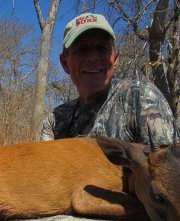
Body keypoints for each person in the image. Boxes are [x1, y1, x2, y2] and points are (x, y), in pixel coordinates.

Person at [40, 13, 177, 147]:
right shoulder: (56, 120)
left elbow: (165, 166)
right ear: (65, 63)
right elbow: (44, 167)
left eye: (102, 48)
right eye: (82, 49)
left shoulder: (142, 98)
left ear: (116, 59)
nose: (93, 57)